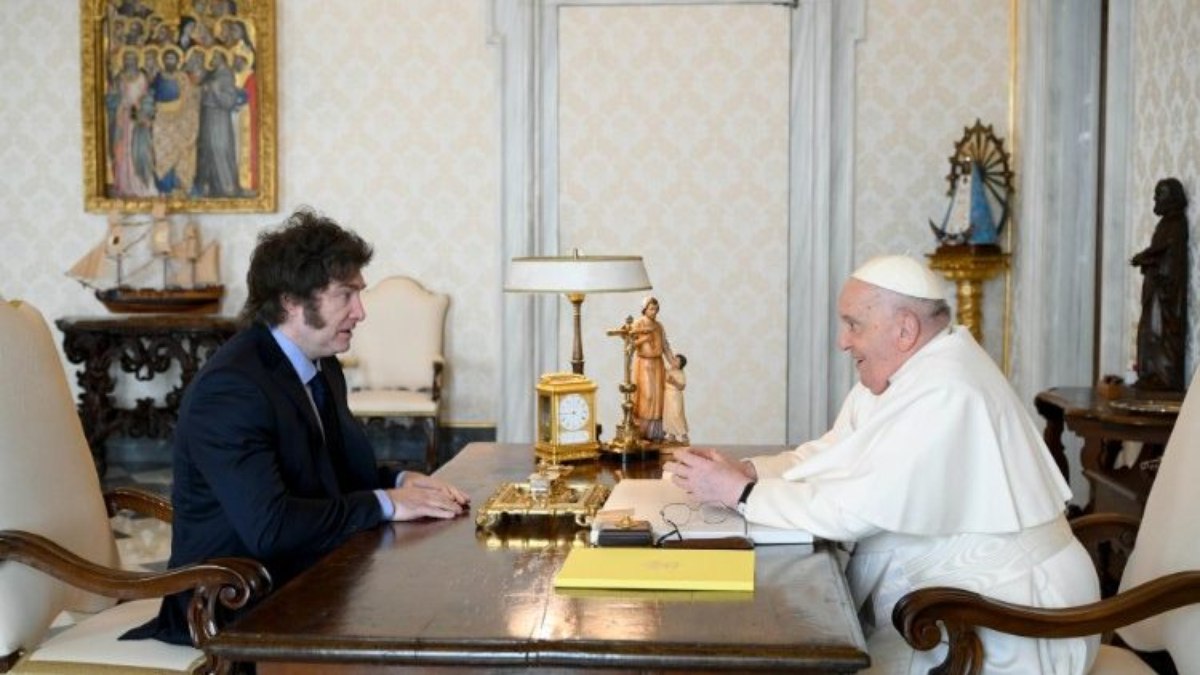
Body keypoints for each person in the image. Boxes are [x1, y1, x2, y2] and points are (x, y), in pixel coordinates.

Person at [664, 255, 1099, 675]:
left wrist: (740, 494)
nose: (842, 341)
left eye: (853, 324)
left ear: (905, 329)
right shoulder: (903, 375)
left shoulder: (947, 390)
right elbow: (833, 453)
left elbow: (854, 510)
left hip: (1009, 623)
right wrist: (753, 473)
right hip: (955, 605)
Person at [125, 208, 469, 646]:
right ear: (291, 300)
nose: (361, 311)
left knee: (431, 603)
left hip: (303, 577)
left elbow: (335, 476)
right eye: (346, 295)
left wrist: (404, 481)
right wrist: (386, 502)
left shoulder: (322, 365)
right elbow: (272, 527)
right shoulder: (232, 389)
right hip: (232, 606)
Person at [1131, 177, 1189, 391]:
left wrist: (1145, 258)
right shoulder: (1166, 223)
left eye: (1159, 194)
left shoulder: (1176, 224)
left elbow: (1165, 251)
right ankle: (1150, 374)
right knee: (1149, 332)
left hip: (1165, 291)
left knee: (1159, 334)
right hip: (1156, 288)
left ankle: (1162, 378)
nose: (1155, 199)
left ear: (1172, 197)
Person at [631, 296, 675, 441]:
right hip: (644, 364)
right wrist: (645, 338)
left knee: (658, 396)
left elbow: (665, 345)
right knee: (647, 395)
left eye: (656, 309)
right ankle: (642, 430)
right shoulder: (638, 323)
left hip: (657, 363)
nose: (654, 312)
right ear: (645, 309)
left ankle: (655, 432)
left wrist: (672, 361)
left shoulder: (659, 326)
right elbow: (631, 344)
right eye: (651, 309)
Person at [662, 353, 688, 444]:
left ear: (680, 365)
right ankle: (671, 435)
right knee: (668, 415)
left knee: (677, 414)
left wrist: (674, 382)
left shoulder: (680, 373)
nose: (673, 361)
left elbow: (682, 387)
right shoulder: (669, 371)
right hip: (667, 396)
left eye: (677, 361)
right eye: (674, 359)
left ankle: (684, 435)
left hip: (675, 396)